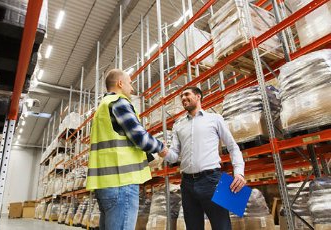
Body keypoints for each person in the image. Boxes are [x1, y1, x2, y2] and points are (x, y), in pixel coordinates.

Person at [86, 69, 167, 230]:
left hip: (104, 184)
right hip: (121, 183)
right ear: (120, 83)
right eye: (130, 83)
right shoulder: (119, 102)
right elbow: (139, 137)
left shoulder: (101, 108)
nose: (132, 89)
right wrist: (161, 147)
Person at [159, 86, 245, 230]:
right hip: (187, 183)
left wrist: (239, 172)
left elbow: (232, 146)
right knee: (192, 227)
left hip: (212, 180)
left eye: (186, 94)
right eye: (181, 97)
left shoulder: (215, 119)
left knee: (222, 226)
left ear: (198, 96)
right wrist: (163, 151)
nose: (183, 98)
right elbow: (173, 157)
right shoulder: (178, 125)